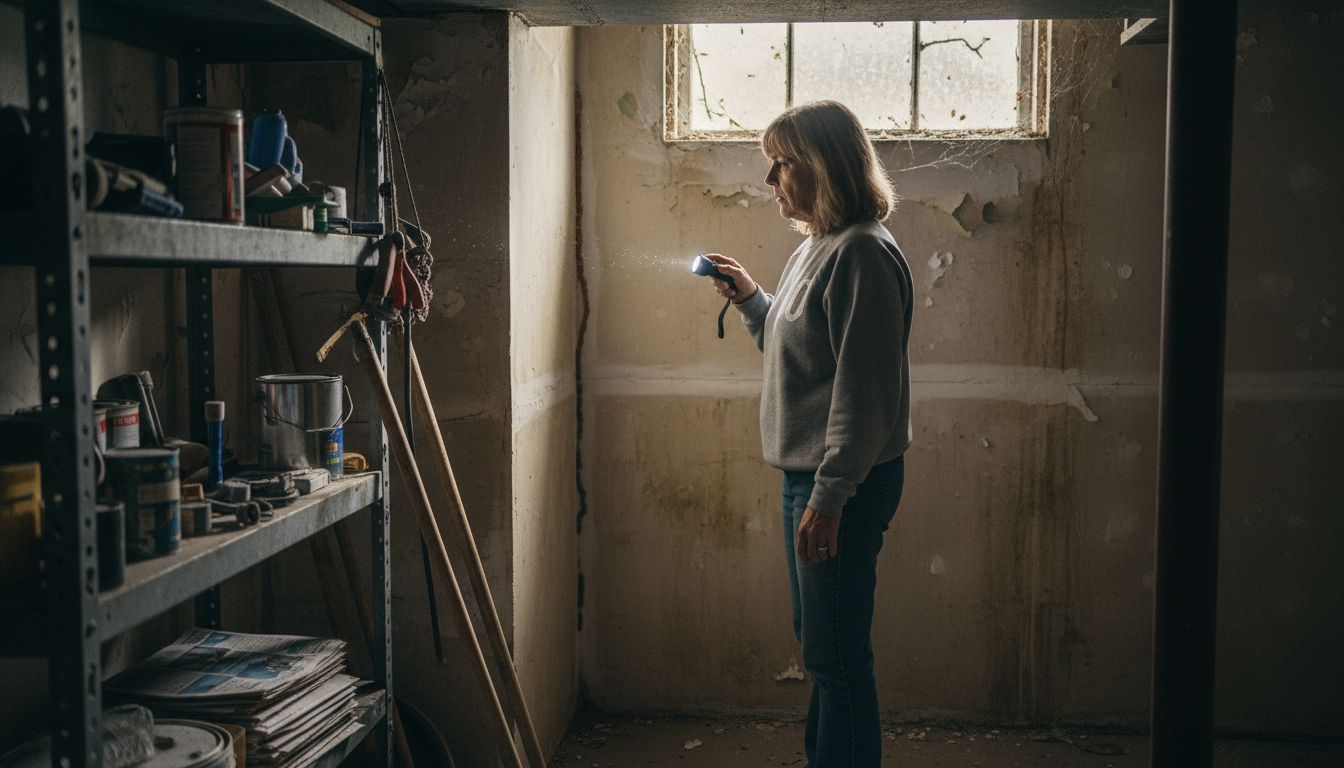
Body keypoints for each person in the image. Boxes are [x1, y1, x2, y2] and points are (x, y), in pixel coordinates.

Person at [703, 100, 913, 768]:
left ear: (823, 165)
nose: (771, 180)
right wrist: (751, 300)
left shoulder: (863, 254)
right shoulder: (816, 248)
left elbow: (864, 394)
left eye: (782, 163)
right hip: (815, 479)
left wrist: (829, 497)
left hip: (841, 483)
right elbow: (798, 352)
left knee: (836, 658)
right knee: (823, 648)